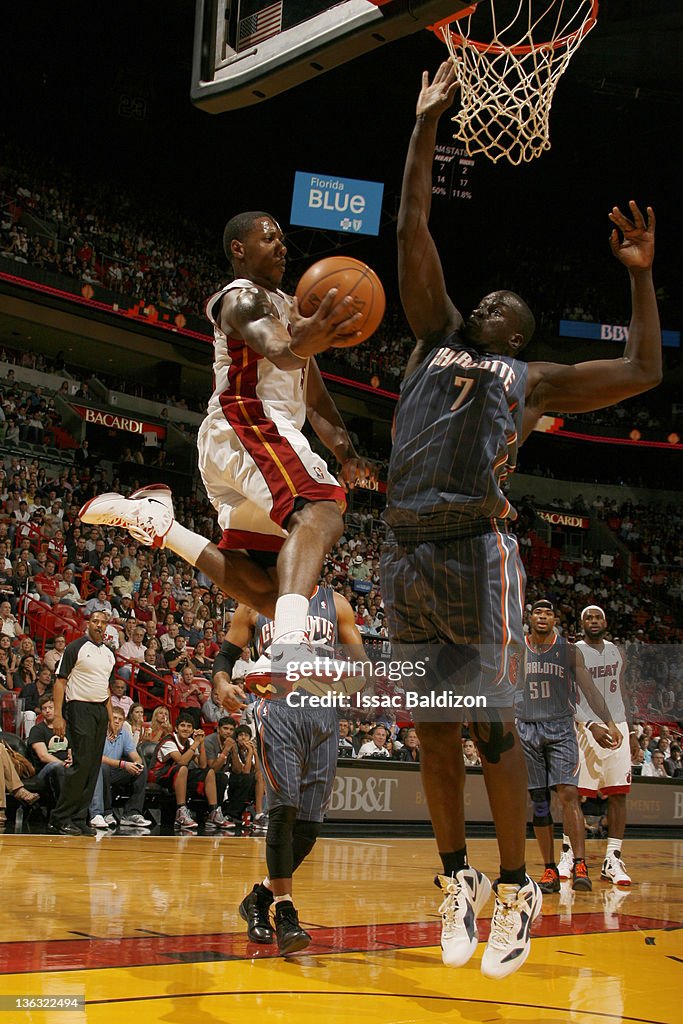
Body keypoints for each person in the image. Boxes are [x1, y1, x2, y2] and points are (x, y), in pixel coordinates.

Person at [382, 60, 661, 980]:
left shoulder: (529, 380)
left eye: (506, 307)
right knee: (431, 726)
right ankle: (456, 877)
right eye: (485, 296)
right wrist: (425, 124)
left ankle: (515, 885)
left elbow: (642, 375)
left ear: (516, 335)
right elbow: (413, 224)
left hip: (474, 546)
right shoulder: (431, 334)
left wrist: (639, 282)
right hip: (404, 548)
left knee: (492, 725)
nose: (488, 301)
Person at [79, 211, 375, 684]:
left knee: (272, 592)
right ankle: (290, 648)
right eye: (268, 238)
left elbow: (313, 394)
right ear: (239, 249)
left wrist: (346, 452)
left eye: (282, 239)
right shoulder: (240, 298)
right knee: (321, 510)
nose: (281, 246)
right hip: (250, 422)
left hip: (244, 443)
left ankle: (160, 524)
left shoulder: (289, 308)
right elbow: (278, 348)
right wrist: (317, 331)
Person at [215, 586, 366, 954]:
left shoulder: (337, 603)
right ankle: (285, 913)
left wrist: (358, 684)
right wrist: (221, 681)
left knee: (311, 824)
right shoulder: (254, 601)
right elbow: (226, 655)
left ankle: (260, 897)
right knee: (284, 810)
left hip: (324, 713)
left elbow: (361, 664)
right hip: (277, 706)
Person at [515, 600, 620, 895]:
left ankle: (579, 863)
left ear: (555, 619)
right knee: (539, 801)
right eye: (538, 612)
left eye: (549, 613)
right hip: (527, 727)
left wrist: (608, 722)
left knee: (568, 794)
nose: (543, 617)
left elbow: (588, 689)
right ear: (531, 618)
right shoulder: (518, 649)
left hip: (560, 727)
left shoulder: (568, 650)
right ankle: (549, 867)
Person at [563, 606, 638, 887]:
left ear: (605, 622)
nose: (593, 621)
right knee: (573, 794)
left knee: (618, 794)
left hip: (616, 724)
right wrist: (589, 724)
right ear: (581, 623)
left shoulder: (618, 652)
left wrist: (629, 729)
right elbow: (567, 695)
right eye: (588, 618)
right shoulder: (572, 651)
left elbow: (622, 689)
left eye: (598, 617)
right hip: (584, 727)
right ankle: (569, 854)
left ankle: (612, 859)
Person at [49, 611, 116, 836]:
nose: (99, 625)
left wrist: (110, 718)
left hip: (100, 710)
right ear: (89, 624)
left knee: (93, 766)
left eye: (103, 622)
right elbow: (60, 682)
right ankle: (60, 817)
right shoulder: (75, 647)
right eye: (95, 621)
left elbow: (105, 687)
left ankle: (79, 817)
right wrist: (58, 715)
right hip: (79, 707)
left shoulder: (109, 654)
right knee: (81, 763)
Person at [149, 712, 226, 830]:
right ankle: (181, 810)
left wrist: (201, 743)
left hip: (179, 774)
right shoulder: (169, 741)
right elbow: (181, 761)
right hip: (159, 775)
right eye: (183, 725)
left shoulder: (190, 742)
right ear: (176, 728)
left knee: (208, 772)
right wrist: (195, 744)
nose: (185, 729)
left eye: (189, 726)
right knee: (183, 768)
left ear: (192, 729)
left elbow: (202, 765)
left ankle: (213, 812)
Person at [88, 705, 151, 829]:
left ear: (123, 722)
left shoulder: (124, 734)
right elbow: (98, 758)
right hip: (96, 771)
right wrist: (123, 764)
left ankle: (132, 813)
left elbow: (134, 755)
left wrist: (137, 763)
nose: (116, 721)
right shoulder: (99, 732)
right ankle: (106, 812)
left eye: (120, 719)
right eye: (114, 718)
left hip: (116, 770)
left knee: (142, 769)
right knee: (103, 767)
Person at [27, 693, 71, 800]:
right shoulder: (37, 730)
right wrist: (63, 764)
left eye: (50, 707)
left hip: (67, 766)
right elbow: (43, 756)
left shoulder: (67, 727)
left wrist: (71, 758)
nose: (47, 711)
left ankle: (96, 813)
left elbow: (72, 748)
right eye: (44, 708)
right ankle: (62, 810)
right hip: (45, 771)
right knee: (56, 766)